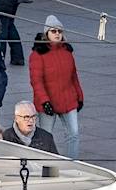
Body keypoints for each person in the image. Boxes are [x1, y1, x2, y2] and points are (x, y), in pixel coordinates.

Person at [28, 15, 86, 159]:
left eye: (59, 31)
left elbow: (74, 76)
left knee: (74, 134)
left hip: (68, 99)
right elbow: (37, 81)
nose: (57, 34)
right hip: (48, 102)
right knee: (45, 137)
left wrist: (79, 96)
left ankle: (73, 162)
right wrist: (44, 101)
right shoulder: (38, 54)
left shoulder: (67, 51)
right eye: (53, 31)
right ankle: (46, 163)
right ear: (46, 33)